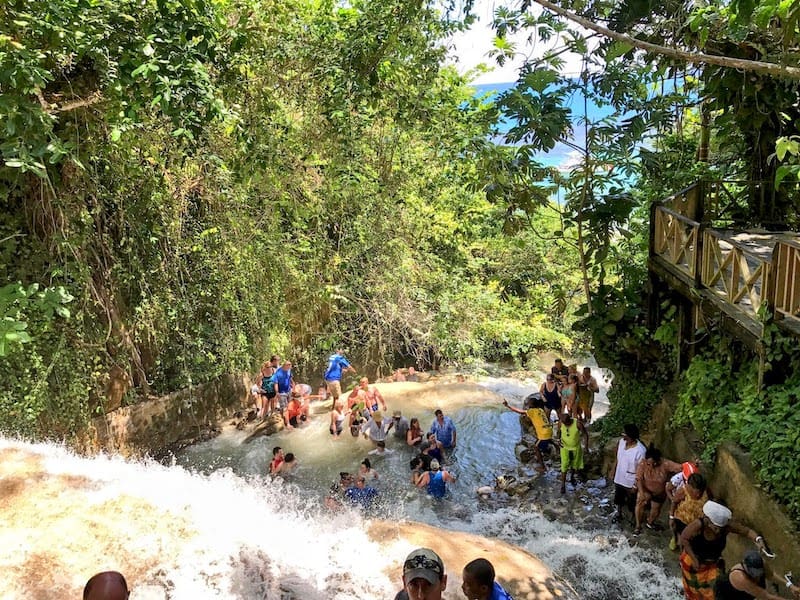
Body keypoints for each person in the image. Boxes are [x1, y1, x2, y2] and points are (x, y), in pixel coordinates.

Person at [679, 501, 770, 600]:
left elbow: (747, 531)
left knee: (714, 590)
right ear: (708, 521)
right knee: (693, 589)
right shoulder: (698, 525)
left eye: (720, 528)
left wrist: (758, 540)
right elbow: (684, 538)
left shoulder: (726, 527)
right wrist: (694, 558)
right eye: (715, 528)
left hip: (713, 564)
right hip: (693, 563)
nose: (718, 531)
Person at [633, 444, 682, 535]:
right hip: (646, 489)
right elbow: (639, 479)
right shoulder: (643, 463)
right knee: (640, 502)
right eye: (649, 464)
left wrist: (693, 465)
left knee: (656, 510)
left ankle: (650, 522)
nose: (651, 466)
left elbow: (680, 467)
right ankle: (638, 525)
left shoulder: (666, 464)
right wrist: (641, 492)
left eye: (653, 463)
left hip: (659, 492)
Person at [715, 550, 800, 600]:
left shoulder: (762, 563)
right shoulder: (740, 578)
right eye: (754, 573)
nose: (757, 576)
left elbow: (771, 575)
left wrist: (790, 586)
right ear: (745, 565)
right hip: (727, 594)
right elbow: (766, 596)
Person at [502, 397, 554, 473]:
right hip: (549, 430)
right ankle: (547, 450)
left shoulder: (531, 411)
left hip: (544, 434)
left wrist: (508, 406)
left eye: (528, 403)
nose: (527, 404)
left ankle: (543, 467)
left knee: (536, 447)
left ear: (531, 405)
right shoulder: (540, 410)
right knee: (539, 441)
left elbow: (519, 411)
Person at [608, 424, 646, 525]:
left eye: (625, 435)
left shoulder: (640, 451)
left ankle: (633, 517)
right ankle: (619, 513)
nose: (623, 437)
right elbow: (617, 457)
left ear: (632, 437)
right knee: (618, 497)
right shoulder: (621, 442)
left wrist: (635, 485)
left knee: (631, 501)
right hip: (619, 476)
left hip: (631, 480)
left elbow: (641, 469)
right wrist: (613, 469)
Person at [670, 472, 710, 551]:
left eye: (700, 492)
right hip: (682, 520)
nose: (698, 495)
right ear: (690, 487)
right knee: (682, 540)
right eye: (696, 492)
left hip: (695, 523)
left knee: (689, 542)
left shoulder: (706, 492)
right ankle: (675, 539)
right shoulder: (683, 491)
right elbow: (674, 502)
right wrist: (671, 517)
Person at [556, 412, 589, 494]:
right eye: (564, 423)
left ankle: (572, 477)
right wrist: (558, 440)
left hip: (575, 448)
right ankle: (563, 485)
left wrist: (586, 447)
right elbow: (558, 432)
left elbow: (585, 434)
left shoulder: (578, 424)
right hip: (564, 448)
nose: (565, 425)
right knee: (564, 465)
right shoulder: (561, 423)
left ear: (570, 420)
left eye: (567, 423)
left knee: (574, 464)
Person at [273, 360, 294, 424]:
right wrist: (277, 392)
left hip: (288, 390)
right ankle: (285, 421)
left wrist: (293, 385)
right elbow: (275, 383)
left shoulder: (289, 371)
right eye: (288, 367)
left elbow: (290, 378)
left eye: (290, 367)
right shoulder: (278, 373)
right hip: (281, 392)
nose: (289, 368)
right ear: (284, 365)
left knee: (289, 405)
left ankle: (289, 418)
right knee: (284, 407)